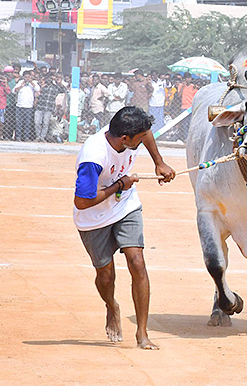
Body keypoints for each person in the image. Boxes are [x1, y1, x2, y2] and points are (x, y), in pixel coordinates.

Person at [74, 106, 174, 349]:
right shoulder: (93, 157)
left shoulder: (130, 134)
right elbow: (82, 201)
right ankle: (111, 306)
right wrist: (120, 184)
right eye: (138, 139)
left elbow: (147, 133)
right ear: (124, 139)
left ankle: (142, 333)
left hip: (125, 207)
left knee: (137, 261)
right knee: (106, 276)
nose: (144, 140)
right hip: (93, 217)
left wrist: (159, 162)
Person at [12, 71, 38, 141]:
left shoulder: (33, 83)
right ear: (23, 77)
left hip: (29, 107)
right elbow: (14, 91)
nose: (27, 78)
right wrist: (21, 86)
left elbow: (38, 89)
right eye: (26, 77)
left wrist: (31, 82)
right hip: (20, 106)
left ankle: (26, 137)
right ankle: (18, 137)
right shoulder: (20, 82)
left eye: (28, 77)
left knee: (27, 123)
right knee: (19, 123)